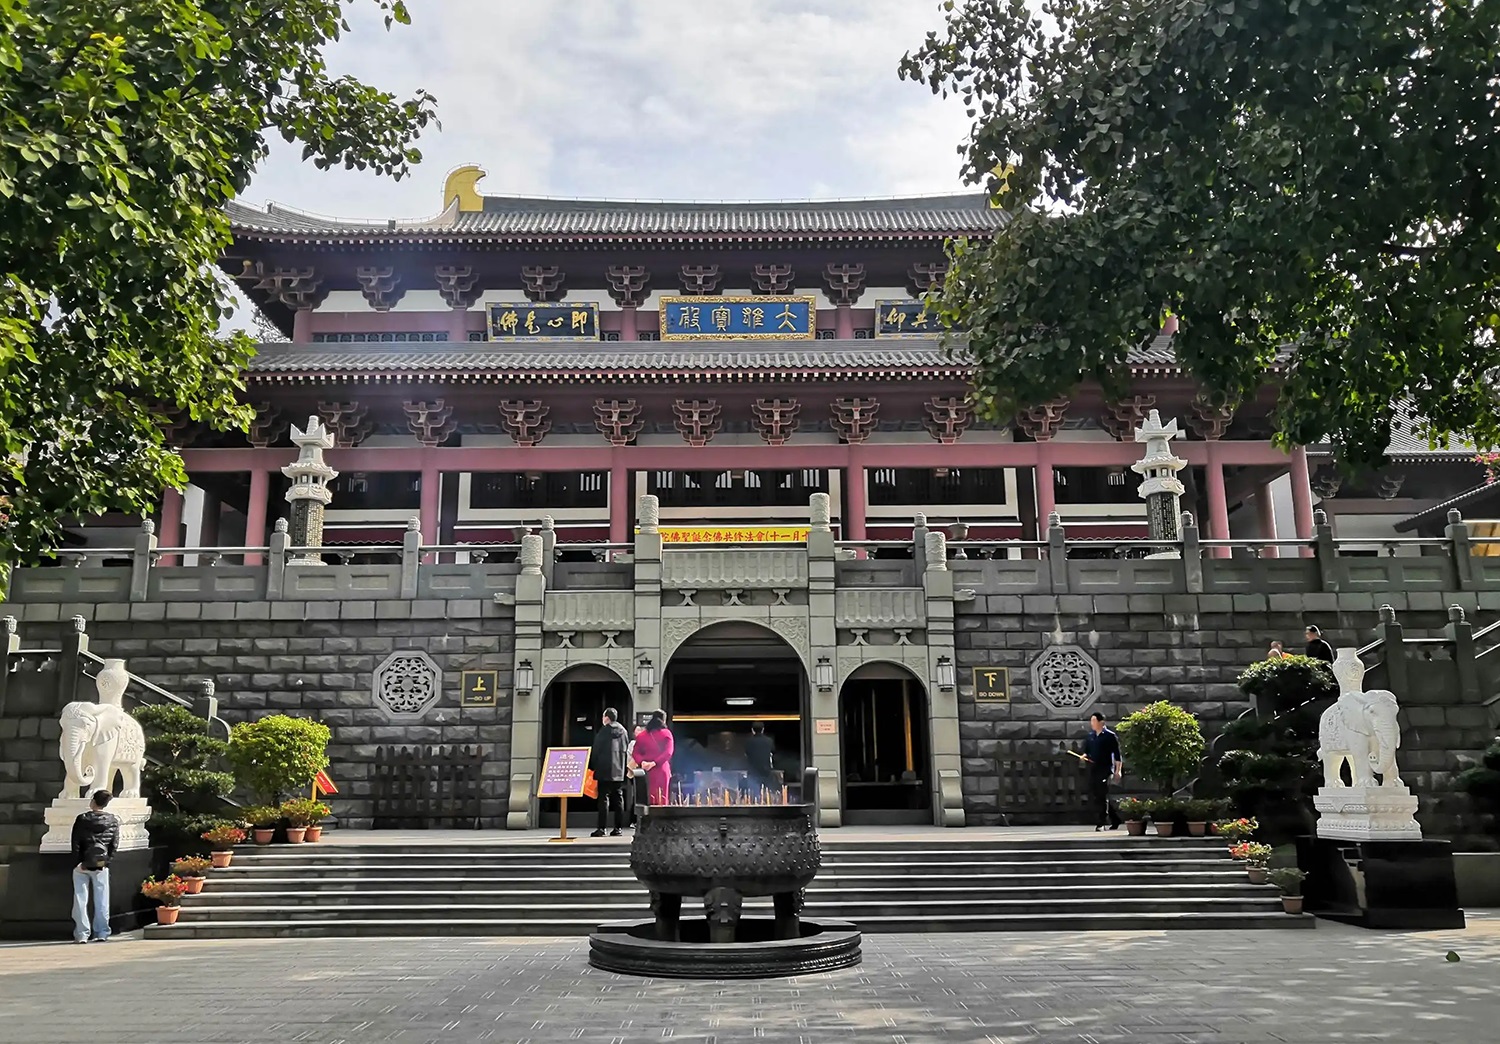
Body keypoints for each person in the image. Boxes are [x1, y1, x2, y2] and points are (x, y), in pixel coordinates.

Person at [70, 789, 119, 943]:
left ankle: (82, 933)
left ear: (93, 801)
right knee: (102, 899)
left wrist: (79, 862)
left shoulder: (82, 819)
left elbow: (76, 842)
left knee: (80, 899)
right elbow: (114, 844)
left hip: (82, 865)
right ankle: (102, 932)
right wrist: (106, 862)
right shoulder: (113, 820)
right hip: (101, 864)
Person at [589, 707, 630, 837]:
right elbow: (626, 749)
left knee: (603, 799)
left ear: (606, 717)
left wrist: (592, 766)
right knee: (618, 799)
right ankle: (618, 828)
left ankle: (602, 828)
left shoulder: (603, 731)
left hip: (604, 770)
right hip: (619, 770)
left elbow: (596, 750)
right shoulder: (623, 731)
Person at [1081, 713, 1123, 831]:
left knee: (1102, 794)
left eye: (1094, 721)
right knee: (1098, 796)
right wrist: (1084, 756)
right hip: (1093, 769)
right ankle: (1115, 819)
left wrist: (1118, 770)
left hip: (1105, 769)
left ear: (1101, 722)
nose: (1092, 723)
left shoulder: (1110, 736)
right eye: (1091, 721)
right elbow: (1087, 751)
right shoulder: (1090, 736)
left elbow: (1118, 755)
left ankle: (1101, 822)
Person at [632, 710, 674, 805]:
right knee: (661, 798)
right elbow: (668, 752)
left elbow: (635, 752)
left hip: (646, 771)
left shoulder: (641, 735)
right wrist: (654, 763)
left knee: (647, 798)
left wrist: (642, 762)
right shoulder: (666, 734)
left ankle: (647, 818)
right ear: (664, 720)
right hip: (662, 770)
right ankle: (661, 818)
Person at [744, 722, 775, 797]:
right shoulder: (769, 741)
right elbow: (772, 752)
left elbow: (746, 755)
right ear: (763, 729)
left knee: (754, 795)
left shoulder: (748, 742)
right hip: (766, 772)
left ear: (752, 730)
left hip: (753, 772)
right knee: (767, 794)